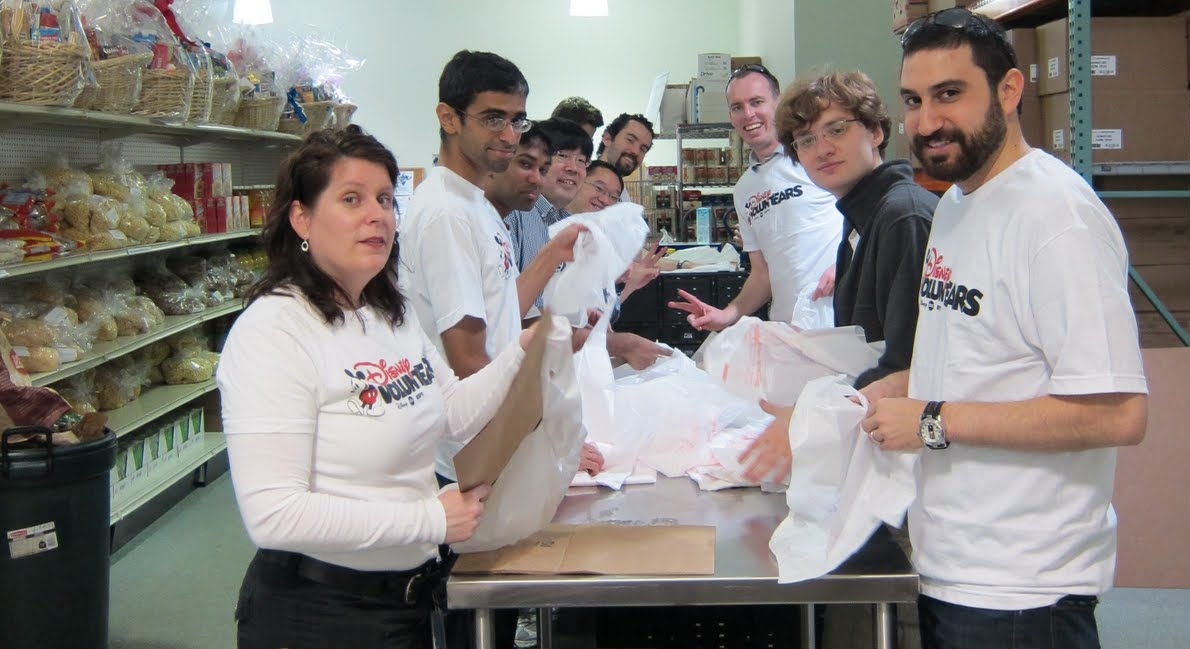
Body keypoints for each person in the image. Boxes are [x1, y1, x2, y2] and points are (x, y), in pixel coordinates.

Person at [863, 9, 1148, 649]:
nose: (927, 121)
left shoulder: (1056, 218)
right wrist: (902, 386)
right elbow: (989, 354)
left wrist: (931, 418)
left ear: (1010, 91)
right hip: (954, 567)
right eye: (913, 100)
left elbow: (1117, 413)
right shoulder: (958, 203)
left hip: (1022, 592)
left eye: (950, 94)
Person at [216, 126, 532, 649]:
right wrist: (428, 517)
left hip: (403, 603)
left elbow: (451, 410)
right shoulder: (274, 331)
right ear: (302, 218)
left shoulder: (390, 313)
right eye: (351, 199)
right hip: (319, 615)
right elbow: (275, 515)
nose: (377, 215)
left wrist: (524, 350)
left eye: (385, 199)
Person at [397, 51, 597, 483]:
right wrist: (543, 434)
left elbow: (501, 308)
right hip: (467, 455)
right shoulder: (446, 213)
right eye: (493, 119)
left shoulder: (477, 204)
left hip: (490, 441)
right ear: (448, 118)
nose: (509, 135)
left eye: (517, 120)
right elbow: (470, 361)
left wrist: (552, 253)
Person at [740, 70, 937, 481]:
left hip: (918, 464)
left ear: (876, 132)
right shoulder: (860, 219)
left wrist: (812, 417)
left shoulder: (903, 217)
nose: (822, 149)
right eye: (807, 141)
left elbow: (915, 369)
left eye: (837, 130)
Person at [667, 64, 843, 331]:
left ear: (778, 102)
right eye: (737, 107)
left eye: (756, 102)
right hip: (789, 328)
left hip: (840, 322)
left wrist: (844, 264)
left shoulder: (815, 155)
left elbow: (868, 220)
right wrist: (726, 315)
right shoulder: (744, 189)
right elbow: (762, 273)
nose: (748, 114)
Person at [505, 117, 593, 277]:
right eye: (563, 155)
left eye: (581, 160)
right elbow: (507, 296)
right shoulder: (513, 214)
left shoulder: (569, 224)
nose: (573, 168)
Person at [484, 122, 553, 217]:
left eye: (543, 170)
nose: (537, 180)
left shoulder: (495, 224)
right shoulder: (463, 218)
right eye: (526, 164)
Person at [597, 112, 655, 201]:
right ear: (607, 138)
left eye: (643, 149)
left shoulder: (623, 197)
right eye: (630, 140)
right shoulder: (578, 185)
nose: (635, 152)